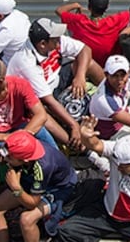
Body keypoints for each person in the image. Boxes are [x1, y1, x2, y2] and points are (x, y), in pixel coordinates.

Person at [7, 18, 99, 147]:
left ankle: (116, 95)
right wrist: (74, 125)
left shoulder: (55, 42)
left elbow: (85, 49)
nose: (59, 40)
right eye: (55, 38)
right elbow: (48, 101)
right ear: (43, 44)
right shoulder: (26, 62)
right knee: (40, 114)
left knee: (88, 64)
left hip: (57, 79)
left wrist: (80, 76)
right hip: (38, 98)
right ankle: (77, 145)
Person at [0, 59, 54, 153]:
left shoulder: (20, 85)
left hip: (18, 127)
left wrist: (22, 136)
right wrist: (6, 137)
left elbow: (41, 114)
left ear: (0, 81)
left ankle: (60, 160)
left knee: (42, 132)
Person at [57, 0, 130, 66]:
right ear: (107, 6)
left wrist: (76, 5)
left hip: (87, 67)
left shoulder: (79, 22)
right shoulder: (116, 21)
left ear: (89, 7)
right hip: (111, 67)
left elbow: (59, 11)